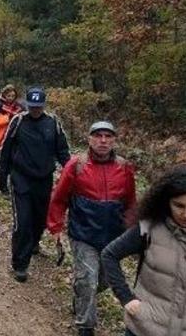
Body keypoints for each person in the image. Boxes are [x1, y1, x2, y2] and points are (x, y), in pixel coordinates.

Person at [101, 167, 186, 336]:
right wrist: (126, 298)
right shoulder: (148, 228)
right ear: (166, 202)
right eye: (179, 205)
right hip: (143, 328)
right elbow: (109, 255)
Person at [46, 121, 137, 336]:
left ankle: (81, 296)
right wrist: (56, 227)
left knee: (104, 281)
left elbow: (131, 202)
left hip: (113, 237)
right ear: (89, 139)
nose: (103, 141)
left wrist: (133, 231)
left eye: (108, 136)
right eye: (98, 136)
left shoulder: (124, 168)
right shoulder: (76, 165)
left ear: (114, 140)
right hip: (83, 234)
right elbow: (58, 198)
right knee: (88, 278)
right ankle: (86, 326)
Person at [0, 87, 70, 282]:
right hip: (20, 178)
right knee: (23, 222)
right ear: (27, 105)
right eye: (32, 107)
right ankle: (20, 264)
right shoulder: (19, 121)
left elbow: (62, 151)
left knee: (39, 220)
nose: (35, 110)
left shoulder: (52, 123)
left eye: (38, 107)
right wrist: (2, 175)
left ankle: (34, 242)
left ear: (43, 105)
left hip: (43, 179)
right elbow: (6, 149)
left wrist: (71, 173)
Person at [0, 84, 26, 154]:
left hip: (16, 138)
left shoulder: (19, 107)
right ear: (4, 95)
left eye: (13, 96)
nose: (11, 98)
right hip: (1, 138)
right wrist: (7, 118)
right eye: (9, 96)